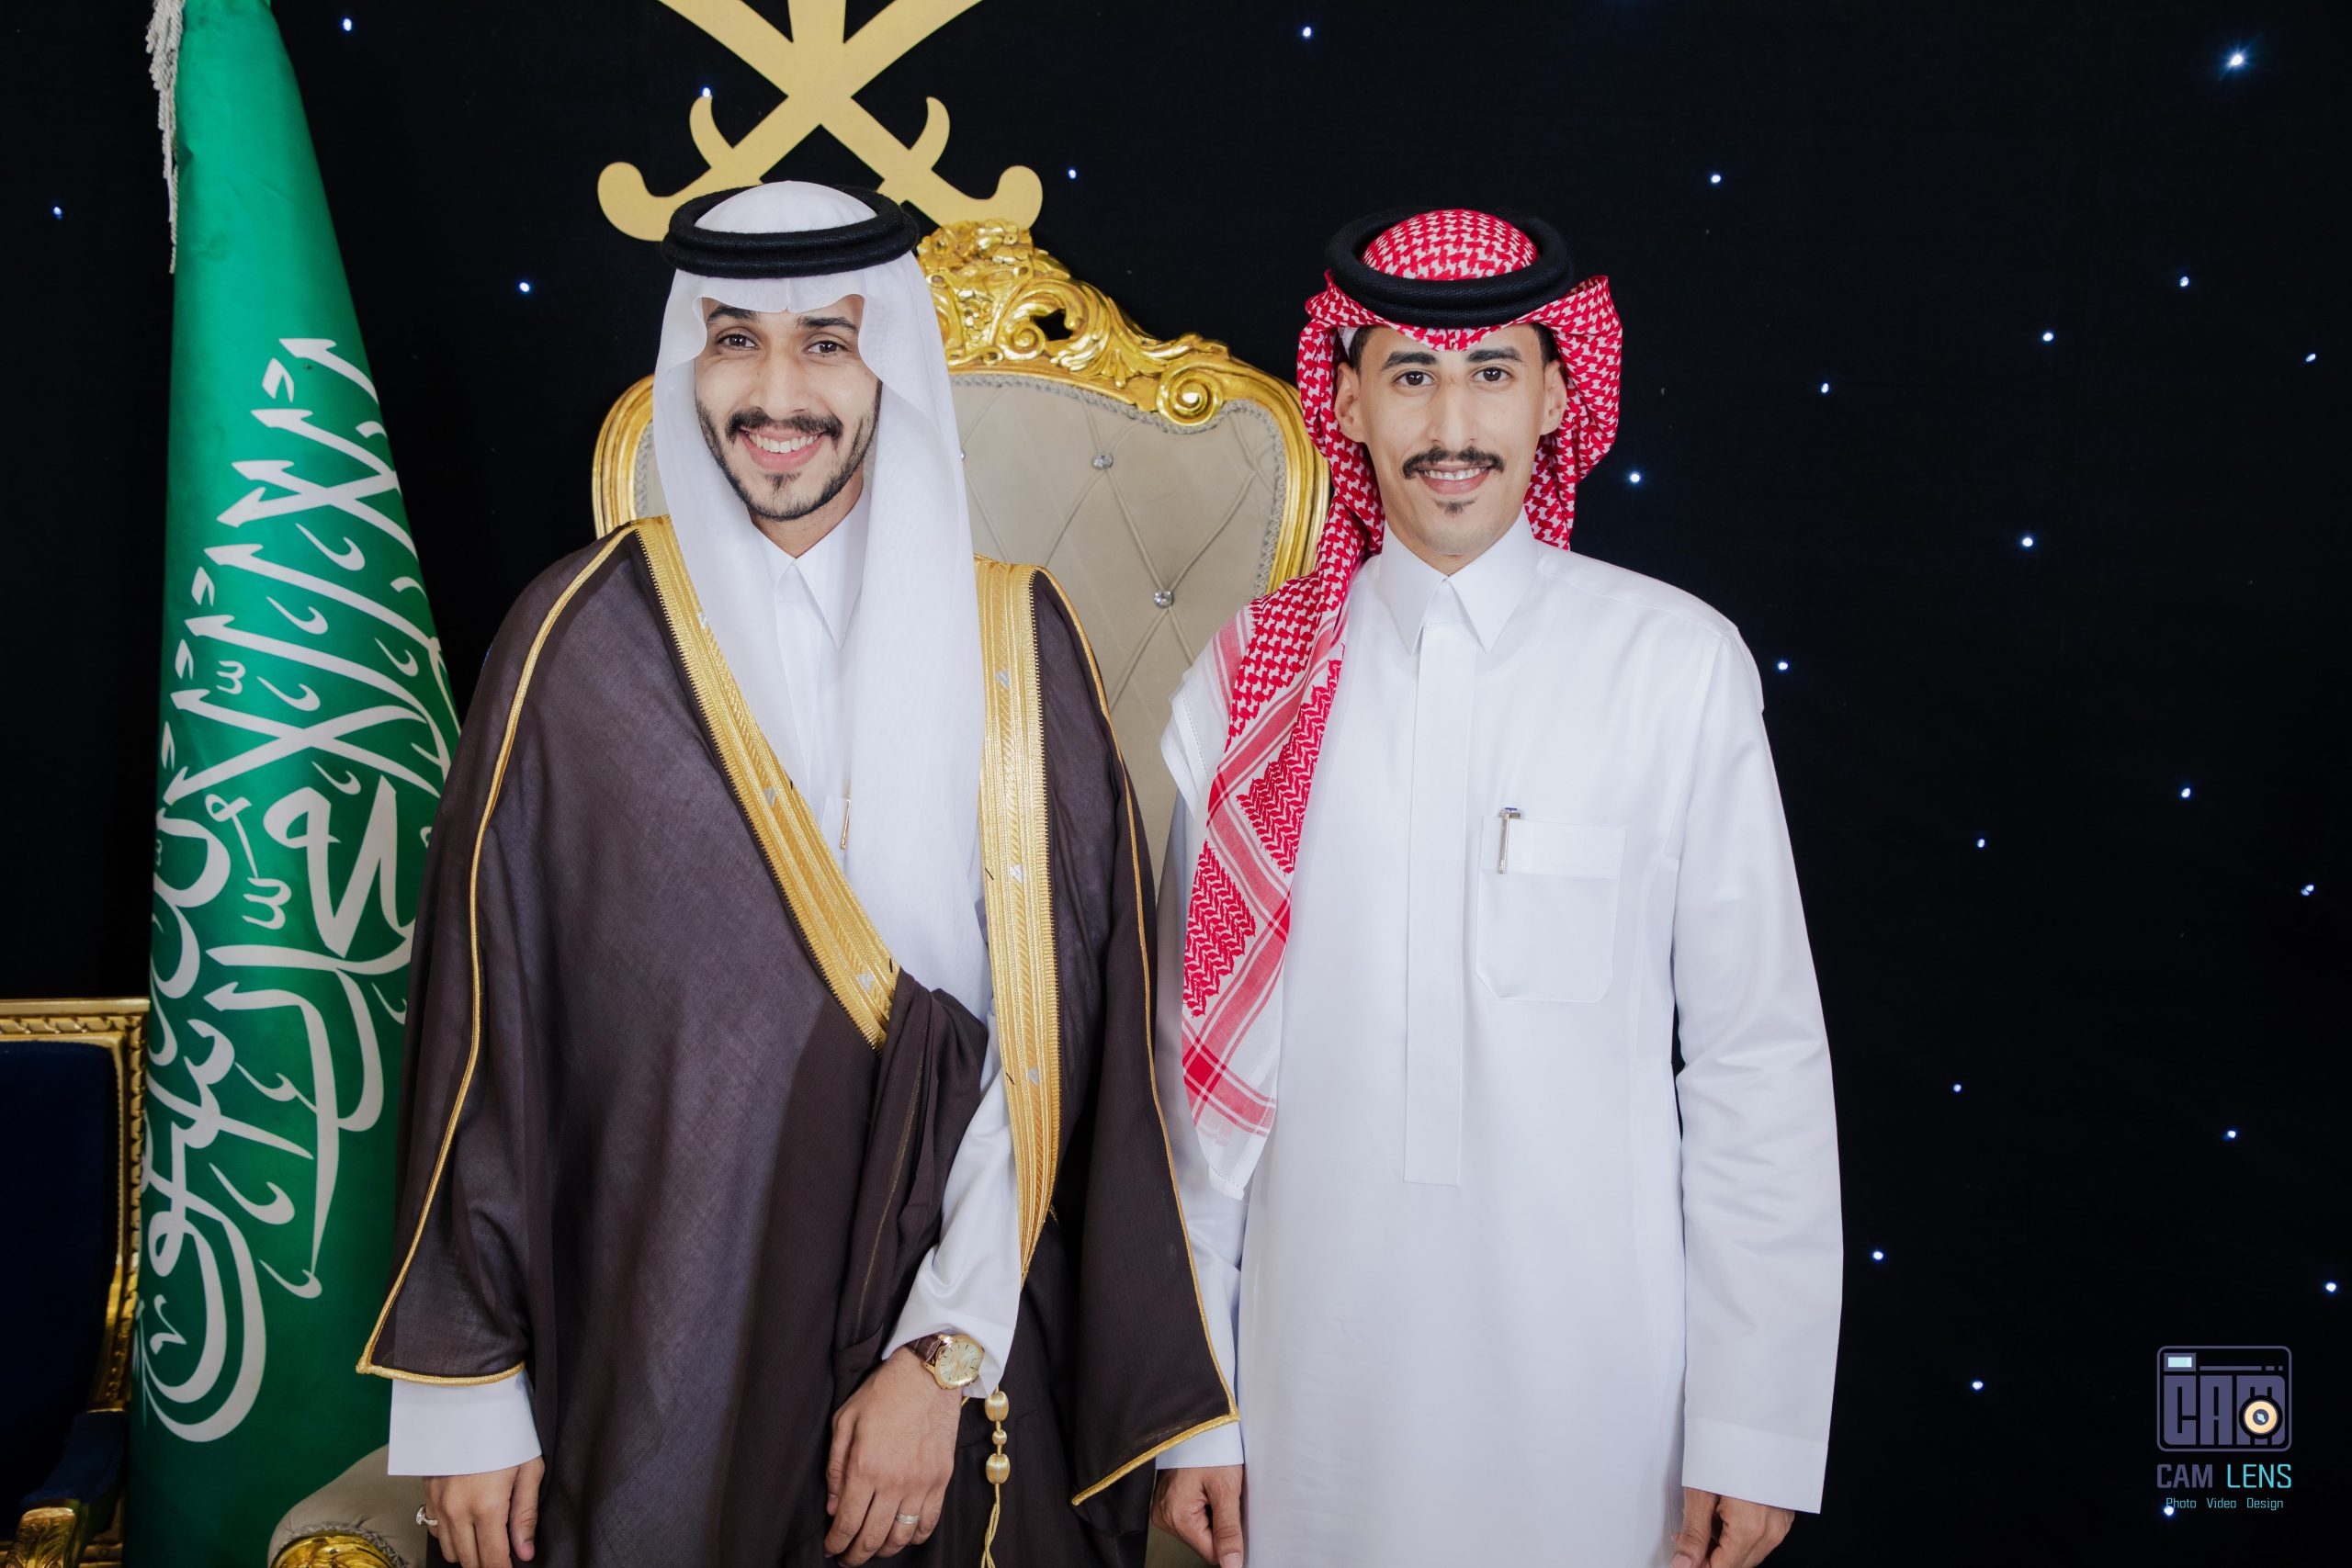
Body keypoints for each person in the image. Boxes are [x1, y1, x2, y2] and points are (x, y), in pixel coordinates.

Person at [357, 181, 1231, 1568]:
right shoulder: (574, 640)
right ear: (687, 362)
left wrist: (942, 1358)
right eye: (735, 341)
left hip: (965, 1323)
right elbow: (485, 1034)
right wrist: (466, 1397)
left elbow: (1059, 1041)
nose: (778, 393)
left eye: (828, 341)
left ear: (891, 365)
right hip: (659, 1332)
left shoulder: (1015, 642)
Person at [1147, 207, 1842, 1568]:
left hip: (1605, 1400)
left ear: (1558, 397)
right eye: (1411, 375)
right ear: (1348, 402)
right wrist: (1193, 1410)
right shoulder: (1252, 690)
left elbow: (1757, 1060)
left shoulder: (1675, 666)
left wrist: (1752, 1425)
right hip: (1309, 1390)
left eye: (1493, 374)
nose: (1452, 424)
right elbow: (1189, 1088)